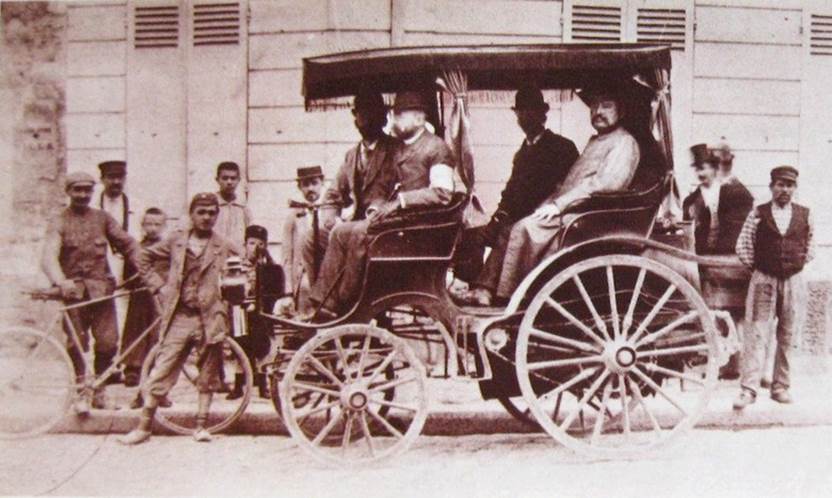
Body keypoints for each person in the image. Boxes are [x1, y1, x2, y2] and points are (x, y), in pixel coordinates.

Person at [309, 90, 455, 315]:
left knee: (355, 232)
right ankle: (323, 303)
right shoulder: (404, 147)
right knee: (338, 233)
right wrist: (380, 204)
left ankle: (344, 303)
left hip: (418, 226)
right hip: (399, 220)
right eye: (394, 114)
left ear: (419, 118)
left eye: (399, 115)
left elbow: (443, 193)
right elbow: (387, 185)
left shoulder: (435, 148)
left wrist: (399, 202)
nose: (393, 120)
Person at [493, 82, 643, 299]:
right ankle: (508, 294)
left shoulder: (624, 142)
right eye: (594, 106)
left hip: (588, 217)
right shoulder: (598, 141)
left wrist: (558, 206)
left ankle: (513, 297)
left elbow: (605, 185)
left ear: (622, 111)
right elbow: (569, 183)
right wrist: (548, 205)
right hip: (574, 211)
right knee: (517, 226)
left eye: (606, 106)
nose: (598, 112)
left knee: (524, 228)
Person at [118, 193, 241, 444]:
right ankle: (143, 428)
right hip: (180, 315)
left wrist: (233, 286)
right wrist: (157, 286)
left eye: (211, 212)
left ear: (217, 215)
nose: (206, 217)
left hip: (211, 316)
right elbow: (143, 257)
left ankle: (201, 427)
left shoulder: (224, 245)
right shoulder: (176, 241)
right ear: (191, 214)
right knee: (163, 367)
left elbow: (244, 265)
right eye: (201, 212)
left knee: (208, 373)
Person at [452, 87, 579, 306]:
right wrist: (499, 216)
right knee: (477, 234)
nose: (524, 117)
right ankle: (475, 286)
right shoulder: (522, 152)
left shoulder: (562, 147)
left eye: (530, 112)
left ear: (542, 114)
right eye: (520, 113)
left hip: (548, 215)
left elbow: (567, 187)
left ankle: (493, 292)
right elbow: (511, 191)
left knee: (508, 232)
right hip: (519, 215)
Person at [40, 172, 141, 412]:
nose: (83, 195)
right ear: (68, 192)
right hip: (73, 292)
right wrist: (60, 280)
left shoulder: (102, 218)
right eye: (77, 190)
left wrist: (143, 266)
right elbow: (48, 258)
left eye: (87, 190)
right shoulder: (59, 221)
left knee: (108, 343)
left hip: (102, 292)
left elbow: (128, 244)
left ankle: (100, 391)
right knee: (77, 344)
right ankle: (80, 393)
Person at [733, 166, 814, 410]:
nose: (784, 190)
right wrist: (760, 269)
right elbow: (743, 246)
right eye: (780, 184)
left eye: (789, 185)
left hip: (794, 281)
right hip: (763, 280)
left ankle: (781, 387)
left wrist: (794, 265)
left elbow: (811, 248)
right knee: (756, 333)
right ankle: (749, 389)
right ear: (772, 187)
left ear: (794, 188)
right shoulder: (757, 214)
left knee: (788, 334)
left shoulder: (805, 214)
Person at [304, 92, 399, 284]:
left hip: (384, 229)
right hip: (354, 226)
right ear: (355, 116)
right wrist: (333, 220)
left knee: (344, 233)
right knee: (311, 239)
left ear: (384, 116)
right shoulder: (351, 156)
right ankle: (319, 300)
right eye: (362, 113)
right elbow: (332, 196)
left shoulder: (396, 150)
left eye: (373, 112)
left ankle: (340, 298)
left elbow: (404, 190)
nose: (366, 118)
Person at [97, 160, 145, 377]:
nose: (116, 182)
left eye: (120, 177)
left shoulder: (136, 204)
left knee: (127, 314)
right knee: (103, 317)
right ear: (102, 179)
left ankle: (128, 364)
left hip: (127, 265)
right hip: (100, 266)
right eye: (111, 177)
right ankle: (106, 367)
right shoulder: (94, 206)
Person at [120, 208, 168, 389]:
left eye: (157, 224)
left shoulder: (166, 248)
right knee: (135, 329)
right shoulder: (136, 248)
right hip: (139, 297)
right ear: (142, 226)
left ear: (164, 226)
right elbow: (128, 274)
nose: (153, 228)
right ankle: (132, 368)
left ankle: (154, 368)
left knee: (156, 332)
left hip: (159, 297)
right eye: (149, 224)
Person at [227, 224, 276, 400]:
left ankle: (263, 385)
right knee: (241, 346)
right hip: (240, 311)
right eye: (251, 243)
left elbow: (274, 289)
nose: (255, 247)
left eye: (260, 244)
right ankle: (239, 386)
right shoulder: (236, 265)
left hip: (261, 313)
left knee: (262, 348)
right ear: (245, 244)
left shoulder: (268, 266)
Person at [683, 148, 752, 255]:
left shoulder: (732, 194)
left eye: (703, 168)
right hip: (700, 257)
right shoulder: (690, 201)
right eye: (696, 169)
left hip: (727, 254)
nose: (700, 173)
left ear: (714, 168)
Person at [280, 166, 326, 314]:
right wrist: (287, 291)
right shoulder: (293, 216)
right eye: (305, 185)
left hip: (327, 275)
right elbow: (287, 256)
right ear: (299, 187)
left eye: (314, 183)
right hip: (304, 276)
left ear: (322, 183)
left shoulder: (331, 212)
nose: (310, 188)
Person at [214, 161, 252, 247]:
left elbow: (250, 233)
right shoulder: (211, 204)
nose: (229, 182)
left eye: (233, 178)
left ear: (238, 180)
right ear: (217, 180)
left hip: (237, 255)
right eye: (225, 178)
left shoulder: (243, 207)